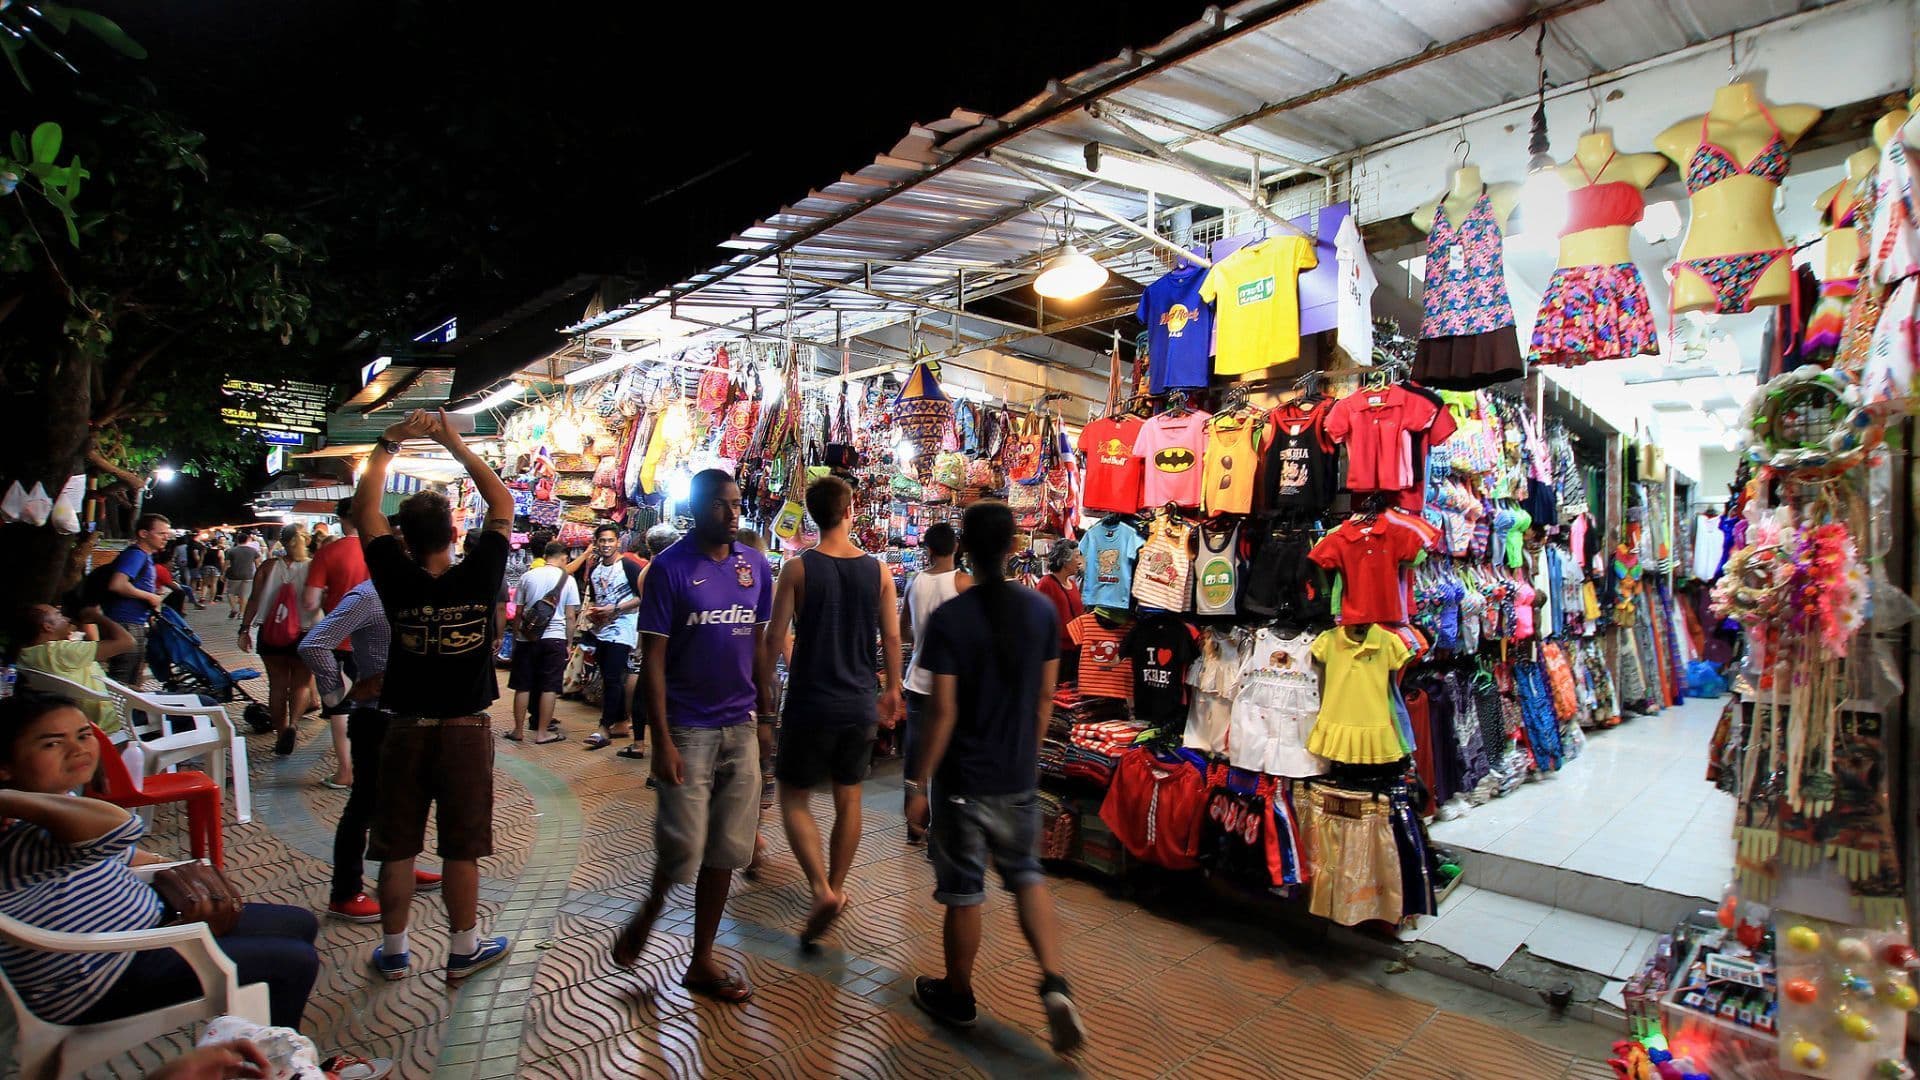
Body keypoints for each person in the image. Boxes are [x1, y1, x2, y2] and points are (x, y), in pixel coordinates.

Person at [0, 692, 322, 1032]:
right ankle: (281, 1060)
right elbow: (120, 828)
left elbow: (117, 851)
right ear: (5, 767)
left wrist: (167, 868)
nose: (78, 749)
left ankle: (244, 1036)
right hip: (99, 976)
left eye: (83, 735)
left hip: (143, 930)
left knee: (300, 924)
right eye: (51, 744)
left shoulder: (54, 805)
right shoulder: (18, 831)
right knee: (294, 962)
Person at [909, 501, 1084, 1053]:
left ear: (965, 548)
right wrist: (1027, 758)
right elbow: (1045, 697)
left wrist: (918, 785)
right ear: (1013, 548)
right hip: (1015, 775)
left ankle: (958, 993)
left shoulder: (951, 619)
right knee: (1026, 875)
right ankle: (1054, 981)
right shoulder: (1039, 612)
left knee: (964, 892)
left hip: (962, 779)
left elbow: (943, 713)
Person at [352, 408, 514, 982]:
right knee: (460, 848)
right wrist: (454, 442)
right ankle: (461, 950)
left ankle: (394, 952)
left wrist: (386, 445)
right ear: (453, 533)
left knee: (395, 846)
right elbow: (502, 505)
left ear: (404, 537)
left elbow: (362, 510)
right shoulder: (479, 573)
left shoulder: (394, 577)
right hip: (466, 730)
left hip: (403, 727)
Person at [610, 469, 770, 1004]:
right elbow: (652, 660)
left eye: (736, 505)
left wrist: (765, 718)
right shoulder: (669, 570)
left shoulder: (755, 567)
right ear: (698, 509)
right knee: (682, 847)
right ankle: (652, 907)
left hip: (740, 725)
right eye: (722, 506)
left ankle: (701, 959)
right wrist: (661, 741)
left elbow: (761, 649)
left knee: (727, 850)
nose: (732, 515)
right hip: (688, 726)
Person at [760, 476, 902, 946]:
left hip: (809, 702)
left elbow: (774, 634)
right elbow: (892, 637)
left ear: (813, 516)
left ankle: (820, 887)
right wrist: (893, 688)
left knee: (793, 797)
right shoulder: (879, 571)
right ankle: (836, 887)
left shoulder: (797, 570)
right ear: (850, 510)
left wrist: (762, 685)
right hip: (859, 700)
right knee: (850, 797)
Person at [299, 574, 443, 924]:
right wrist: (340, 695)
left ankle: (398, 866)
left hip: (414, 716)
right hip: (379, 719)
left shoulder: (420, 590)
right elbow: (314, 644)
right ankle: (345, 892)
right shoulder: (369, 595)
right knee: (364, 804)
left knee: (403, 800)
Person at [897, 522, 970, 846]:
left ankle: (914, 824)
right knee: (947, 753)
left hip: (918, 679)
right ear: (955, 547)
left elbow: (904, 630)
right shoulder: (964, 583)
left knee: (916, 752)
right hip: (952, 684)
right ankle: (943, 825)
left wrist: (920, 642)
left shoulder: (915, 583)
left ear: (927, 549)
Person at [305, 499, 370, 788]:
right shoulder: (384, 552)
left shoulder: (328, 553)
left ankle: (346, 772)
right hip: (379, 642)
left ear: (342, 519)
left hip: (341, 641)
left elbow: (309, 602)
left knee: (340, 707)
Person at [240, 524, 319, 757]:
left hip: (270, 632)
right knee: (302, 684)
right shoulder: (314, 567)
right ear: (306, 539)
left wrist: (244, 629)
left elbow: (253, 599)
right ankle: (294, 724)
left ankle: (281, 732)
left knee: (277, 685)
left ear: (281, 542)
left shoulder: (267, 566)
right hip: (306, 632)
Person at [571, 523, 644, 750]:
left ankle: (604, 728)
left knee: (612, 676)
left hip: (623, 628)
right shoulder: (595, 570)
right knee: (608, 675)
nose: (606, 545)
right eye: (602, 541)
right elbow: (595, 599)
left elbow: (643, 596)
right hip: (601, 629)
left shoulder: (629, 567)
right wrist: (594, 615)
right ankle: (622, 721)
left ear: (618, 541)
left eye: (610, 540)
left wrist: (615, 609)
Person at [13, 603, 135, 735]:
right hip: (115, 717)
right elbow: (127, 642)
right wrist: (97, 617)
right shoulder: (61, 652)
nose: (67, 619)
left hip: (84, 717)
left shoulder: (26, 655)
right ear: (47, 627)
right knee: (159, 702)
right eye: (59, 615)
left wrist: (124, 687)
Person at [506, 540, 579, 744]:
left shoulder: (528, 576)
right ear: (564, 557)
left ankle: (518, 730)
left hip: (527, 638)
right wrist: (569, 642)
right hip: (554, 638)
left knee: (523, 686)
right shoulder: (568, 580)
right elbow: (571, 616)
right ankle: (542, 732)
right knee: (549, 687)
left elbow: (518, 612)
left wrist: (516, 639)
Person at [101, 512, 170, 688]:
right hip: (125, 622)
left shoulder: (145, 556)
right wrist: (150, 596)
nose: (165, 538)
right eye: (161, 533)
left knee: (132, 674)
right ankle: (116, 713)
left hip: (134, 622)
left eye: (167, 534)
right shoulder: (136, 555)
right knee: (123, 676)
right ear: (143, 533)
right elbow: (117, 584)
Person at [1034, 539, 1085, 685]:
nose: (1079, 562)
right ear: (1065, 560)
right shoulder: (1046, 584)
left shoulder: (1072, 584)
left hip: (1075, 650)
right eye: (1076, 557)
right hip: (1057, 651)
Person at [225, 531, 262, 620]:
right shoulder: (253, 551)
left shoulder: (231, 551)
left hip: (234, 575)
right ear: (247, 540)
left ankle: (234, 609)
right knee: (244, 595)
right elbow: (258, 564)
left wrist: (223, 574)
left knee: (230, 593)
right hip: (248, 575)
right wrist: (258, 574)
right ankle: (241, 614)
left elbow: (227, 564)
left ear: (237, 540)